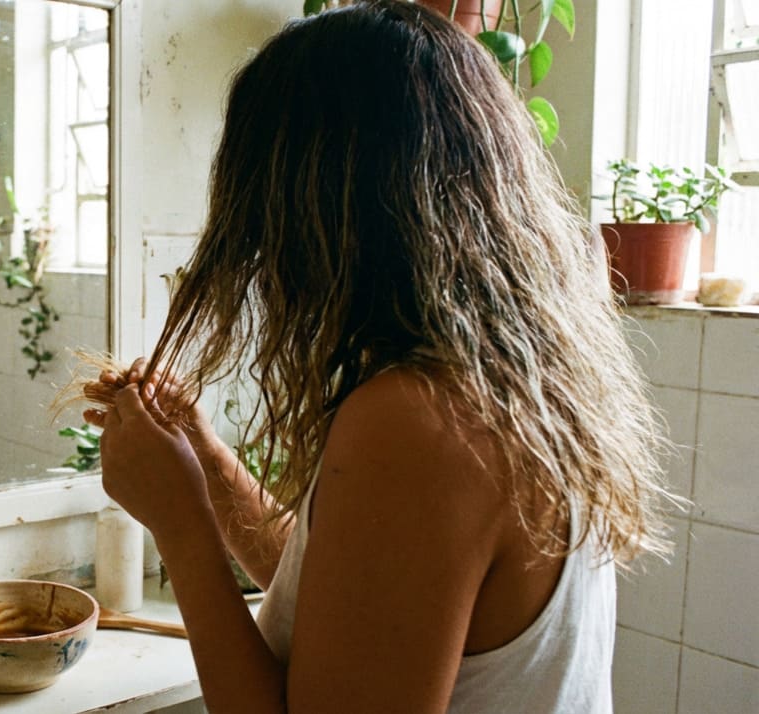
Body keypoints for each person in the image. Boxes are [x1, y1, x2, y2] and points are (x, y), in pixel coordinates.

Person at [84, 2, 677, 712]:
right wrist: (209, 465)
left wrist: (180, 527)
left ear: (322, 207)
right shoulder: (510, 377)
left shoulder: (422, 420)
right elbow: (356, 608)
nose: (259, 253)